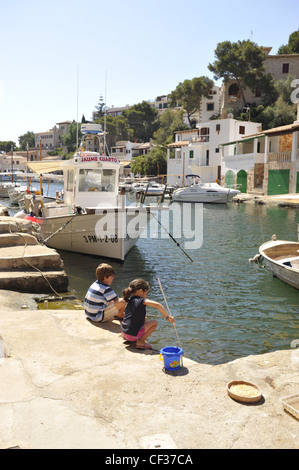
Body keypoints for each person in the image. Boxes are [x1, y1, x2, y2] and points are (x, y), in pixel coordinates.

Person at [121, 279, 175, 350]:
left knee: (145, 318)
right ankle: (141, 342)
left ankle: (128, 336)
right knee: (154, 323)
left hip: (125, 333)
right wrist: (167, 317)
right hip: (132, 336)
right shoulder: (141, 300)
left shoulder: (129, 300)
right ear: (140, 291)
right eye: (146, 293)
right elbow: (157, 305)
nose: (146, 296)